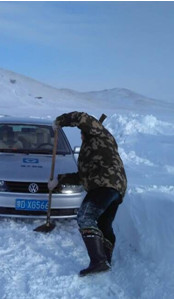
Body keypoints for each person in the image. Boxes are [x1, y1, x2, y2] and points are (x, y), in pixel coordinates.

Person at [49, 111, 127, 276]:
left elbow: (82, 118)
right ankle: (105, 259)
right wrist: (58, 181)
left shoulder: (98, 134)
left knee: (85, 216)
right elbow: (82, 176)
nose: (81, 136)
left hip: (104, 183)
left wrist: (60, 121)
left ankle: (98, 261)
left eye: (81, 133)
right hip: (115, 187)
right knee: (104, 224)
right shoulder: (92, 149)